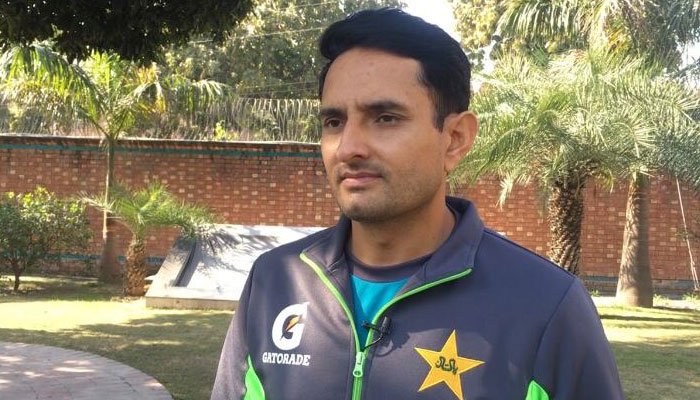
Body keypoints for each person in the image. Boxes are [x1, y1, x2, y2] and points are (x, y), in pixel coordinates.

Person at [212, 8, 623, 400]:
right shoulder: (274, 281)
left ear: (455, 138)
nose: (348, 148)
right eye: (334, 122)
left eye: (385, 118)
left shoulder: (546, 306)